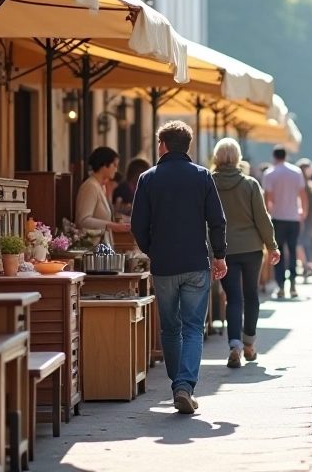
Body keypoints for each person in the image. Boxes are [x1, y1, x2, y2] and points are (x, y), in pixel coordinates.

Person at [131, 121, 227, 414]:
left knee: (171, 328)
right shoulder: (202, 176)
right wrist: (219, 256)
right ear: (187, 146)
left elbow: (137, 225)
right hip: (196, 262)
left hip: (164, 265)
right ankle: (183, 386)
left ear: (162, 145)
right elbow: (217, 220)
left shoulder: (148, 178)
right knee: (194, 327)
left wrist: (152, 249)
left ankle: (179, 384)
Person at [211, 138, 280, 367]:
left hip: (224, 249)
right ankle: (249, 343)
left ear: (217, 157)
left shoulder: (209, 183)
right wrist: (272, 245)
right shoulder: (250, 184)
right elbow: (262, 218)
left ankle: (234, 346)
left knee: (233, 299)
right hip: (251, 248)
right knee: (251, 295)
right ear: (238, 158)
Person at [262, 145, 307, 299]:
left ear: (274, 157)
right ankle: (293, 284)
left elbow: (267, 197)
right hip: (293, 216)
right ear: (286, 156)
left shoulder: (270, 174)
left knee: (278, 251)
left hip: (277, 217)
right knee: (293, 251)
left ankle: (281, 285)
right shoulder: (296, 172)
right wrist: (303, 212)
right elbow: (302, 194)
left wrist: (267, 214)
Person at [76, 147, 130, 248]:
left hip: (103, 246)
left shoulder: (101, 186)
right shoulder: (90, 186)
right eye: (114, 165)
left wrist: (117, 221)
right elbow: (83, 220)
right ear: (105, 165)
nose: (116, 169)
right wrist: (111, 225)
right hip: (92, 247)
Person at [295, 159, 312, 278]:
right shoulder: (303, 185)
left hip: (307, 217)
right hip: (303, 217)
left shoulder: (305, 184)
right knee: (300, 242)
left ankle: (306, 265)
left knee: (303, 242)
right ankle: (306, 265)